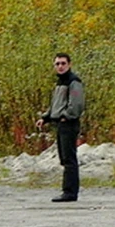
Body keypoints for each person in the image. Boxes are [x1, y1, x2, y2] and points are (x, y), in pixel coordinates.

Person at [36, 53, 85, 202]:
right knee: (64, 158)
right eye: (57, 64)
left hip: (68, 124)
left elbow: (76, 104)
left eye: (63, 63)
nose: (60, 66)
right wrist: (45, 118)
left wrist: (66, 116)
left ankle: (70, 193)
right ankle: (68, 191)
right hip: (60, 124)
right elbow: (55, 105)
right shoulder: (60, 83)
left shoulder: (74, 81)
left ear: (69, 64)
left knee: (69, 159)